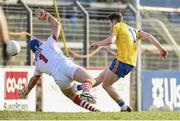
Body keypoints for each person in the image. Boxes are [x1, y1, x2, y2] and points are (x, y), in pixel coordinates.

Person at [74, 13, 168, 112]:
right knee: (99, 79)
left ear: (114, 21)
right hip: (129, 63)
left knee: (106, 85)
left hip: (122, 61)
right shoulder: (132, 30)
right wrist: (161, 49)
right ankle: (76, 87)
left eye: (109, 23)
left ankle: (123, 107)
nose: (109, 26)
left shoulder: (117, 26)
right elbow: (149, 36)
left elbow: (111, 40)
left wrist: (97, 44)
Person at [19, 9, 99, 112]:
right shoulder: (48, 43)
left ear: (33, 52)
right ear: (40, 43)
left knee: (72, 96)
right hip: (65, 65)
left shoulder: (37, 63)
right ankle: (86, 92)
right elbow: (57, 25)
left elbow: (34, 79)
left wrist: (27, 90)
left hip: (59, 79)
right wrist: (48, 16)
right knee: (90, 79)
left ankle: (94, 110)